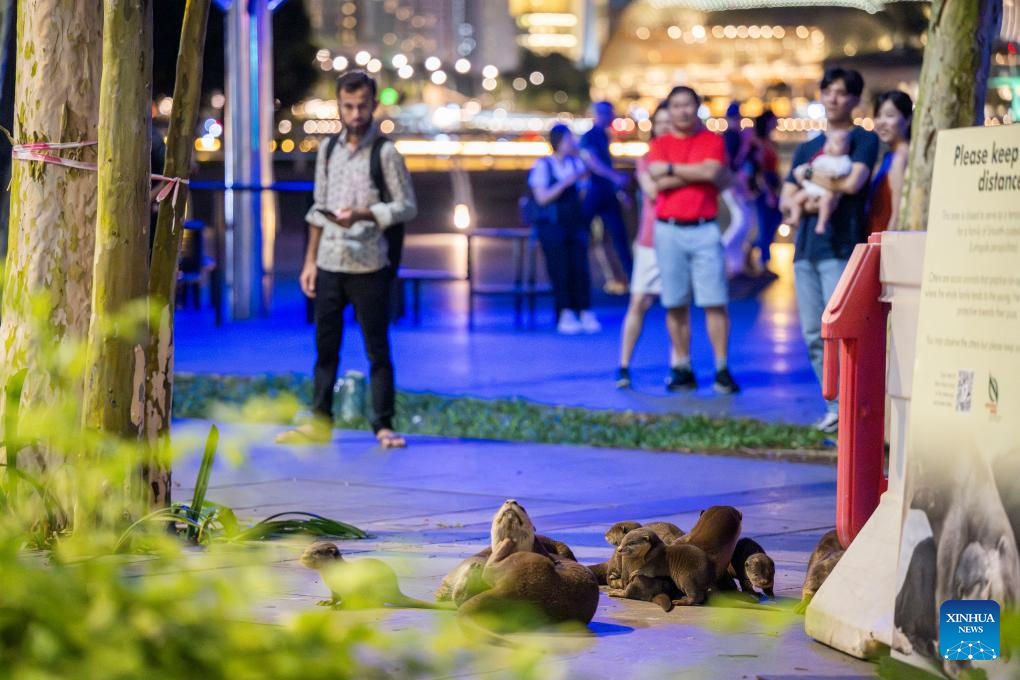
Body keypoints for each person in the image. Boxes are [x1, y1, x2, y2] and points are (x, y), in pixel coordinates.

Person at [276, 70, 417, 448]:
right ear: (339, 105)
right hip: (329, 263)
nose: (355, 114)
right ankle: (320, 420)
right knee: (325, 348)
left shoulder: (385, 153)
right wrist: (309, 263)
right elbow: (316, 211)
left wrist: (365, 214)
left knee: (377, 348)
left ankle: (383, 425)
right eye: (348, 106)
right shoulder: (328, 150)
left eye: (362, 106)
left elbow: (406, 206)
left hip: (369, 263)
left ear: (373, 105)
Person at [780, 67, 879, 434]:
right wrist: (816, 190)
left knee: (841, 332)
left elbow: (853, 184)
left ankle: (854, 406)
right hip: (806, 249)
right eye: (828, 91)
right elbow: (786, 198)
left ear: (855, 99)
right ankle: (834, 405)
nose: (834, 99)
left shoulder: (863, 142)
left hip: (840, 247)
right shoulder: (807, 147)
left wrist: (807, 178)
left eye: (842, 93)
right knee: (811, 332)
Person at [646, 85, 740, 395]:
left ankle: (722, 368)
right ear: (669, 110)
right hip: (668, 229)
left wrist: (671, 171)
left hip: (704, 228)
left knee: (714, 300)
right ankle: (682, 365)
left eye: (688, 105)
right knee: (674, 302)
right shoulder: (659, 144)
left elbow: (711, 173)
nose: (682, 111)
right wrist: (696, 172)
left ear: (697, 107)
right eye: (676, 106)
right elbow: (655, 182)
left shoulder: (712, 141)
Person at [615, 104, 679, 387]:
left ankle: (679, 367)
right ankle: (624, 365)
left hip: (678, 240)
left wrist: (671, 173)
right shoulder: (647, 158)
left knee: (676, 306)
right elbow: (652, 190)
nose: (665, 128)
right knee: (638, 301)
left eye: (670, 122)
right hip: (650, 241)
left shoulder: (681, 156)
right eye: (660, 123)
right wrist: (687, 176)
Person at [529, 124, 600, 334]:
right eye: (570, 139)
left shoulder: (576, 164)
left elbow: (582, 196)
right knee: (559, 269)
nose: (573, 143)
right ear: (559, 141)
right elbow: (541, 198)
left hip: (575, 223)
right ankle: (565, 311)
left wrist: (583, 182)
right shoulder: (544, 166)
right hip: (552, 225)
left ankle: (584, 309)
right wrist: (565, 183)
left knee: (580, 267)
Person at [580, 101, 632, 288]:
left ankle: (626, 278)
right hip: (596, 191)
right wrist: (615, 178)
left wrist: (617, 186)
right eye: (607, 113)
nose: (610, 117)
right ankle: (579, 277)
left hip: (605, 191)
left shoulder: (602, 135)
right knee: (587, 235)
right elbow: (593, 162)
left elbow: (602, 163)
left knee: (617, 236)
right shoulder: (591, 136)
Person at [785, 128, 853, 236]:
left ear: (846, 148)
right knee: (796, 199)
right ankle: (795, 217)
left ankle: (821, 224)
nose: (830, 146)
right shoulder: (821, 158)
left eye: (836, 143)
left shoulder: (843, 160)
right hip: (812, 189)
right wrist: (804, 172)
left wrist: (816, 174)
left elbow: (843, 173)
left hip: (826, 191)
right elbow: (810, 168)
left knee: (826, 202)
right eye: (828, 142)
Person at [867, 90, 912, 233]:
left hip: (885, 242)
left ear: (908, 119)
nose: (881, 122)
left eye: (890, 115)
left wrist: (888, 249)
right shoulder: (890, 156)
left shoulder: (901, 158)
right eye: (878, 116)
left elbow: (897, 215)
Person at [744, 111, 782, 271]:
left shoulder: (769, 142)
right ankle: (763, 260)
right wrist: (767, 192)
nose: (776, 124)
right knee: (764, 225)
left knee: (772, 223)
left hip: (772, 187)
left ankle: (754, 248)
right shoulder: (756, 143)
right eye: (774, 121)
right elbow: (757, 170)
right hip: (763, 190)